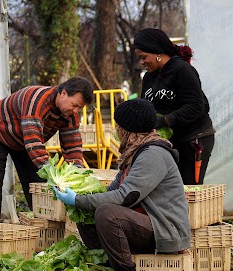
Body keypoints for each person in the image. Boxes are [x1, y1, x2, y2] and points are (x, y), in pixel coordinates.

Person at [54, 99, 191, 271]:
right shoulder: (134, 154)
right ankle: (104, 264)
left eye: (118, 126)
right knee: (86, 213)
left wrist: (79, 200)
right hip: (144, 223)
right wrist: (82, 199)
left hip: (164, 229)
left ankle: (124, 268)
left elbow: (125, 196)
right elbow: (112, 190)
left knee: (107, 213)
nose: (115, 130)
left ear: (128, 130)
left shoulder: (153, 154)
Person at [0, 76, 94, 222]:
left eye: (79, 108)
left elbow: (72, 146)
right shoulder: (37, 101)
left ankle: (41, 225)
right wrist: (52, 174)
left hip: (23, 139)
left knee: (37, 183)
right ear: (63, 93)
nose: (76, 111)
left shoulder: (69, 114)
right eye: (74, 105)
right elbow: (33, 142)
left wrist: (77, 174)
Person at [133, 28, 215, 185]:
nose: (141, 62)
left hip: (194, 139)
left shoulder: (182, 70)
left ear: (157, 52)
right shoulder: (149, 77)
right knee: (167, 188)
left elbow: (197, 106)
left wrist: (165, 120)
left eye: (144, 57)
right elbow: (146, 106)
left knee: (186, 189)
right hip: (169, 141)